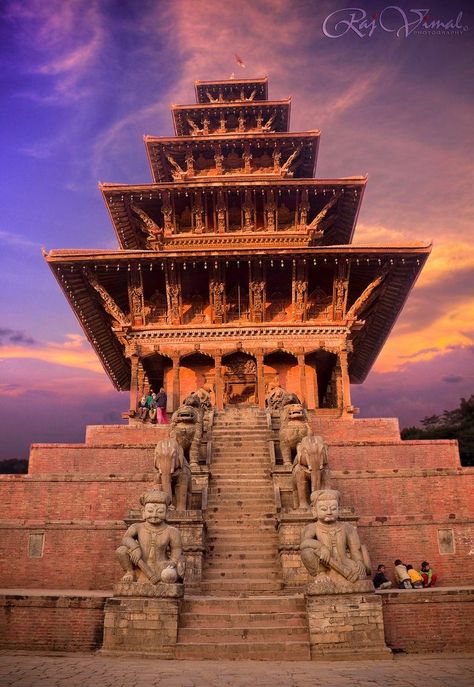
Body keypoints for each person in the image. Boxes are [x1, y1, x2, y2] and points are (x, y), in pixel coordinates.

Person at [116, 489, 185, 584]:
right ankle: (130, 572)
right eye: (150, 511)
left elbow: (176, 549)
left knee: (169, 575)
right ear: (143, 512)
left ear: (167, 513)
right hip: (141, 566)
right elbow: (125, 539)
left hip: (162, 566)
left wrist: (172, 562)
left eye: (160, 512)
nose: (154, 515)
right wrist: (135, 548)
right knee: (122, 550)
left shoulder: (172, 531)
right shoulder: (137, 527)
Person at [300, 489, 368, 584]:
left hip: (345, 563)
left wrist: (359, 562)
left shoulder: (347, 527)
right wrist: (322, 547)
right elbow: (304, 543)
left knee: (360, 575)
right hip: (325, 564)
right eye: (324, 509)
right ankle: (321, 574)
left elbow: (355, 549)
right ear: (314, 511)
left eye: (333, 508)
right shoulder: (312, 527)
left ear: (339, 509)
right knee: (306, 552)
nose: (329, 512)